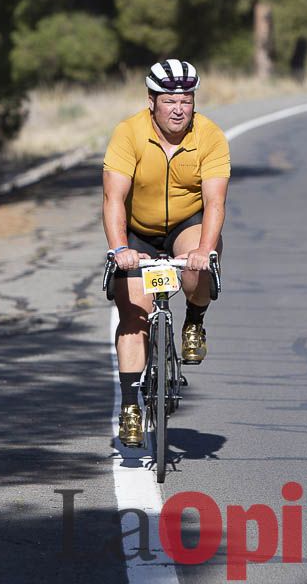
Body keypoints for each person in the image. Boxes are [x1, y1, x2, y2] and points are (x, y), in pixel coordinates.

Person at [102, 59, 230, 447]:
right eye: (170, 100)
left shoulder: (209, 136)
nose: (179, 108)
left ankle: (195, 317)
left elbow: (214, 204)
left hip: (186, 225)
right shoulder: (128, 133)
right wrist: (120, 249)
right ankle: (131, 407)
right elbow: (113, 199)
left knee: (198, 270)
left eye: (186, 100)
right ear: (152, 101)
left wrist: (205, 251)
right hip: (138, 231)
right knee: (134, 316)